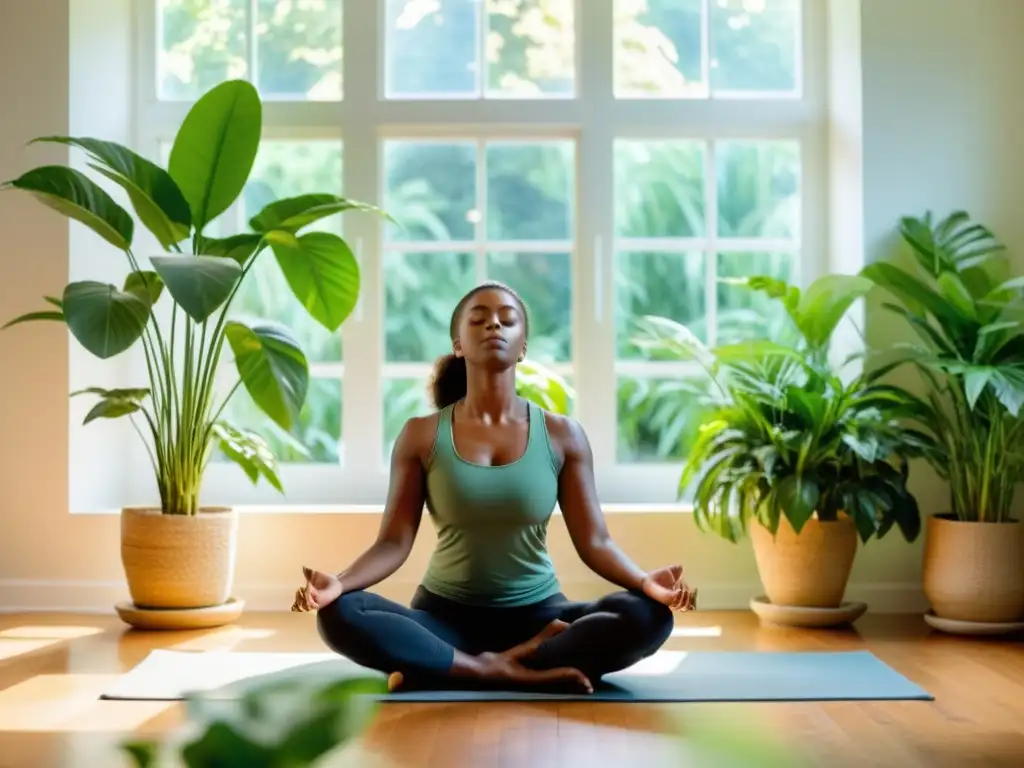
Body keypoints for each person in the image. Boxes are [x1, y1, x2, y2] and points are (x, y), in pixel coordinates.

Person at [292, 282, 696, 694]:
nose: (494, 327)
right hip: (443, 619)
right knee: (339, 613)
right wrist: (339, 584)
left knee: (650, 616)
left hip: (542, 618)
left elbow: (595, 541)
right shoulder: (421, 435)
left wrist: (645, 583)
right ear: (459, 345)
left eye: (507, 319)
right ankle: (505, 668)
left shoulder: (562, 435)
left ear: (522, 346)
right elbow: (393, 543)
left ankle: (453, 667)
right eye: (479, 319)